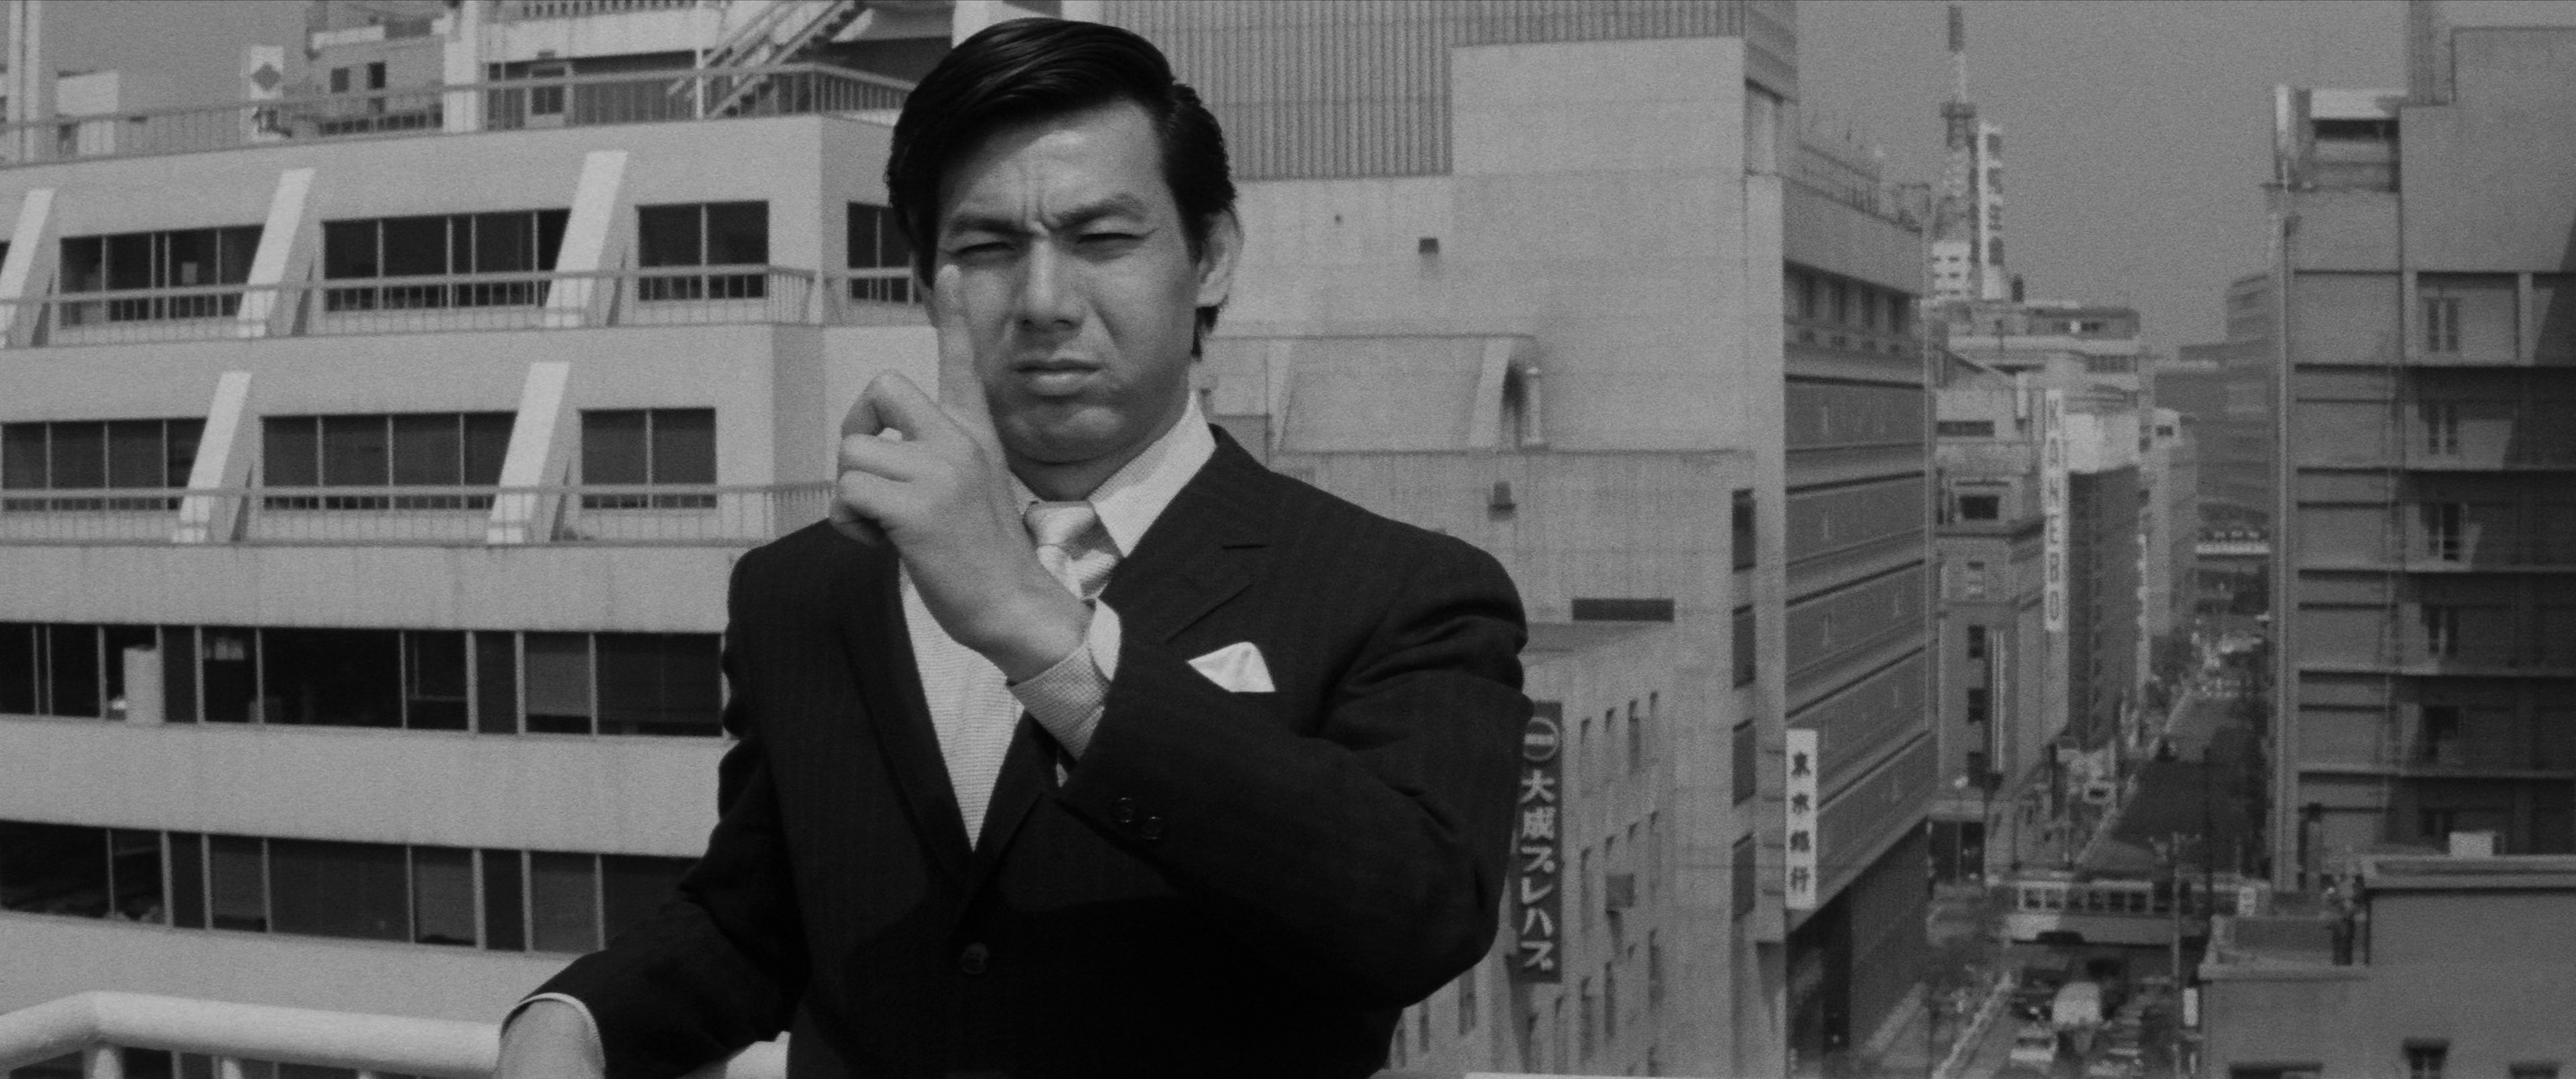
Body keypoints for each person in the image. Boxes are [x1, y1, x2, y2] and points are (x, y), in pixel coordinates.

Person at [496, 17, 1529, 1079]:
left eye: (1102, 240)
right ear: (925, 278)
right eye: (986, 250)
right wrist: (576, 1017)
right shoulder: (803, 588)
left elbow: (1420, 913)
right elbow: (754, 918)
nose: (1043, 303)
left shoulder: (1399, 590)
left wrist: (1035, 627)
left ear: (1211, 257)